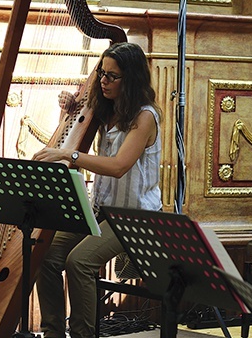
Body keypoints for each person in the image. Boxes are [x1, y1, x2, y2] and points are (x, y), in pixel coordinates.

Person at [32, 42, 163, 338]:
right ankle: (53, 333)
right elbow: (72, 140)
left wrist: (69, 157)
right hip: (99, 212)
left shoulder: (144, 117)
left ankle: (82, 335)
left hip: (135, 218)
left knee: (79, 262)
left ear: (131, 79)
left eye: (112, 76)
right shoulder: (106, 109)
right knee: (46, 255)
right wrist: (68, 112)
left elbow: (118, 166)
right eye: (102, 74)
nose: (103, 81)